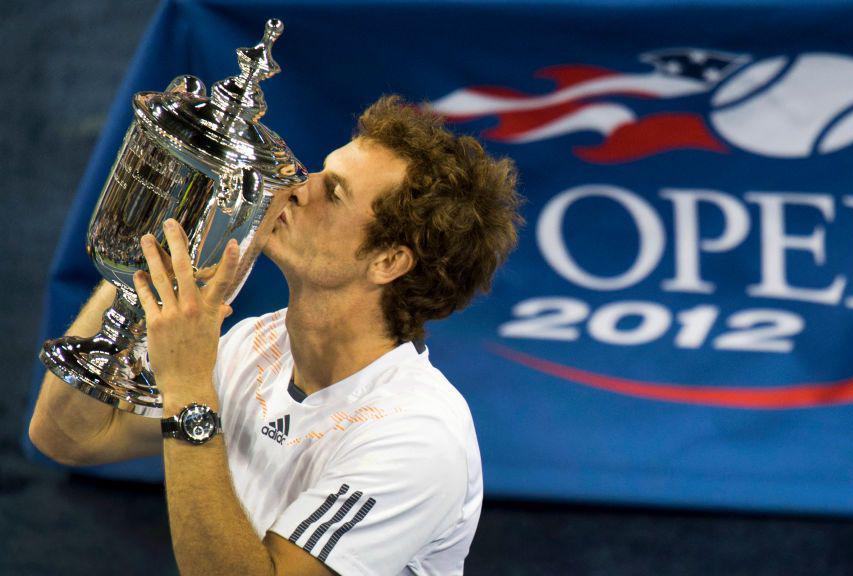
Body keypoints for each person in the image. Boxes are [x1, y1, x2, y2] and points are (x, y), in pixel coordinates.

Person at [29, 95, 524, 576]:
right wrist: (139, 271)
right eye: (318, 171)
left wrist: (188, 391)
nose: (293, 184)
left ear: (388, 261)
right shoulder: (256, 343)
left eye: (333, 192)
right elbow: (69, 436)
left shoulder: (417, 438)